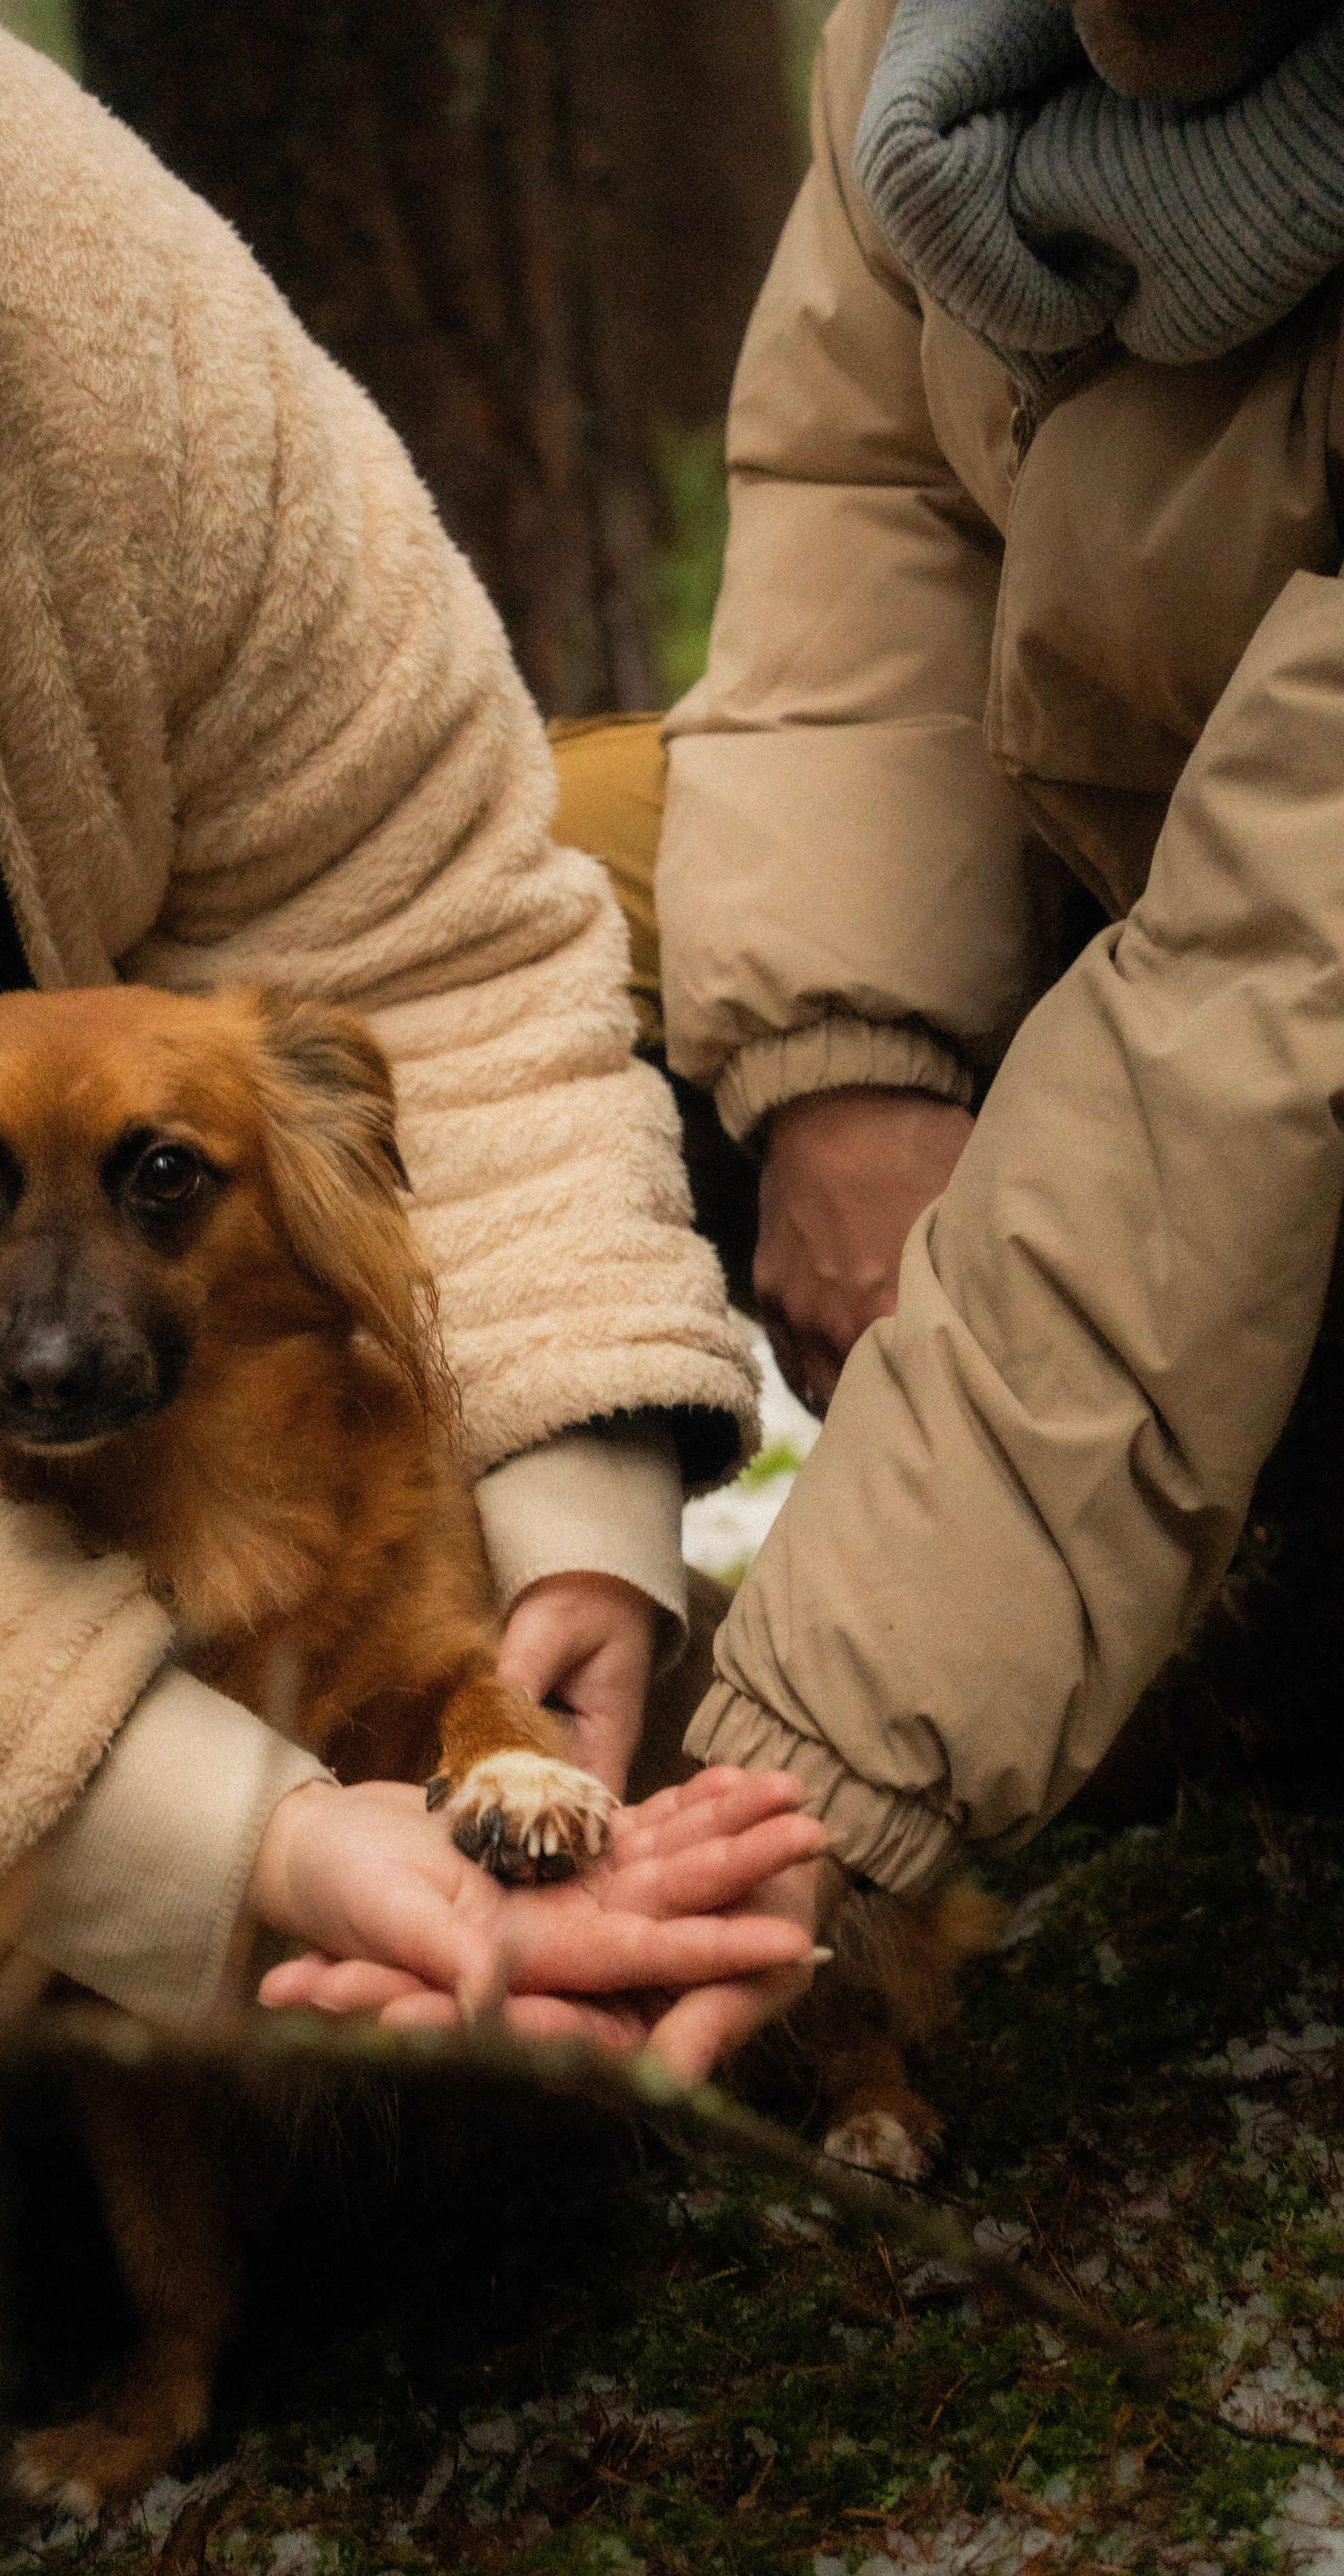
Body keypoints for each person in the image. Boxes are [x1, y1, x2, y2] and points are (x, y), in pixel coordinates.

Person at [0, 0, 829, 2079]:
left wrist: (574, 1555)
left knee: (725, 845)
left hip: (201, 1220)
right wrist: (231, 1842)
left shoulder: (73, 281)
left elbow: (434, 913)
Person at [505, 0, 1344, 1983]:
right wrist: (841, 1060)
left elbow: (1256, 1006)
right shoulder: (932, 44)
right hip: (1122, 871)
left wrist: (793, 1770)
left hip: (1266, 1010)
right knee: (519, 887)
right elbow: (863, 495)